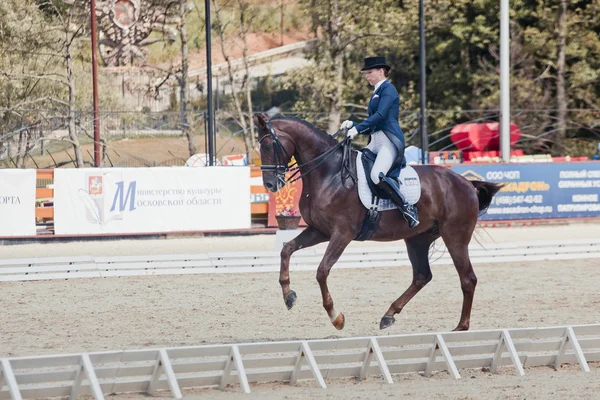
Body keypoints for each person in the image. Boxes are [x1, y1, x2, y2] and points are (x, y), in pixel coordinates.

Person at [340, 56, 419, 227]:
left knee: (377, 175)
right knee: (357, 167)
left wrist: (358, 129)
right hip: (375, 140)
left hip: (388, 140)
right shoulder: (376, 93)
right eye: (366, 73)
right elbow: (372, 122)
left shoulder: (388, 90)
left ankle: (406, 207)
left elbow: (381, 116)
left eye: (369, 72)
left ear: (381, 71)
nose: (367, 76)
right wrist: (353, 124)